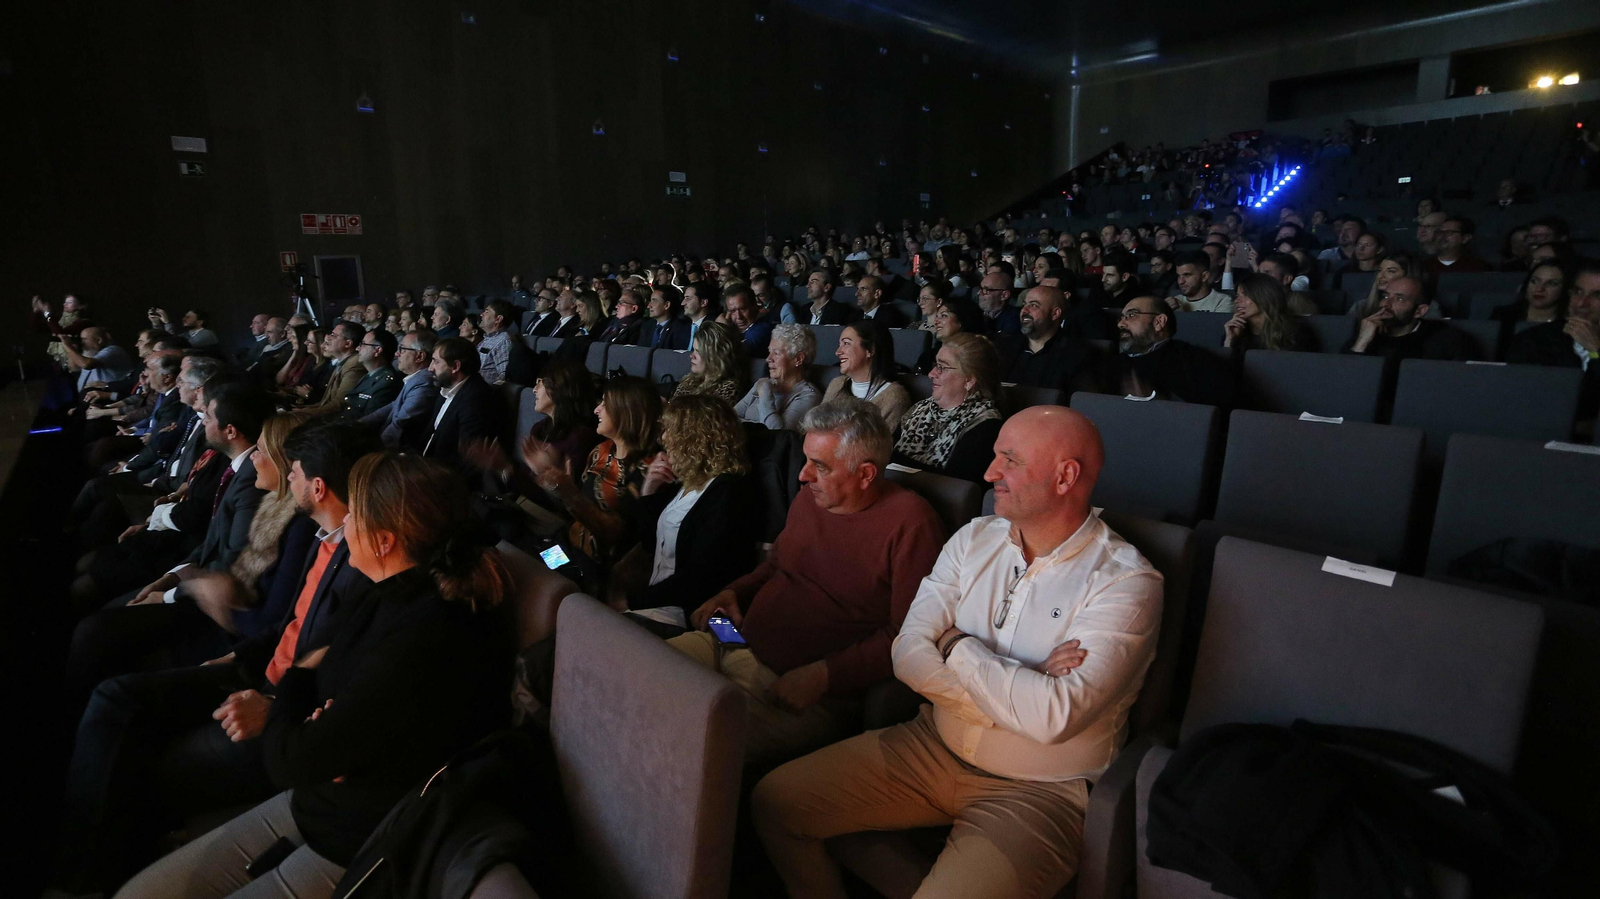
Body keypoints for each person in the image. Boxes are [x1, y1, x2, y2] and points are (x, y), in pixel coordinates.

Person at [753, 407, 1162, 899]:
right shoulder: (973, 539)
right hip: (930, 744)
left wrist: (956, 644)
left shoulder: (1125, 581)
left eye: (1007, 460)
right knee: (773, 802)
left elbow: (1054, 717)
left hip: (1038, 792)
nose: (989, 474)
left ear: (1065, 477)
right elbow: (907, 651)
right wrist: (1021, 685)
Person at [113, 452, 514, 899]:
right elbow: (320, 687)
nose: (346, 525)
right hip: (317, 800)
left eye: (356, 515)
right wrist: (316, 709)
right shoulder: (391, 587)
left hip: (357, 843)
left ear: (384, 541)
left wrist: (307, 705)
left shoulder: (429, 632)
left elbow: (293, 758)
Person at [51, 419, 382, 896]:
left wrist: (272, 704)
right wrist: (233, 659)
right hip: (253, 672)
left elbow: (337, 668)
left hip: (278, 711)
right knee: (114, 695)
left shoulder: (363, 560)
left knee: (143, 755)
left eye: (295, 470)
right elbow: (285, 626)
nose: (286, 477)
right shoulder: (320, 536)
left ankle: (85, 876)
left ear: (318, 485)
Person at [675, 398, 944, 769]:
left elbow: (907, 636)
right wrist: (733, 592)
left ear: (866, 474)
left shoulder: (911, 524)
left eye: (819, 466)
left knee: (681, 738)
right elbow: (775, 567)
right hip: (733, 642)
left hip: (799, 692)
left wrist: (826, 674)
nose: (802, 475)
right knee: (633, 671)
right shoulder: (810, 498)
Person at [623, 394, 757, 628]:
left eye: (671, 431)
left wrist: (633, 601)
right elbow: (651, 545)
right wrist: (649, 491)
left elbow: (700, 578)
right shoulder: (687, 482)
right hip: (657, 605)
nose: (664, 438)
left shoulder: (727, 492)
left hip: (682, 615)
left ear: (694, 438)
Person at [523, 375, 661, 572]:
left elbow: (615, 534)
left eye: (605, 403)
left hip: (596, 568)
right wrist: (551, 475)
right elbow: (575, 512)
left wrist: (568, 491)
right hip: (568, 549)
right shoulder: (601, 450)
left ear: (627, 412)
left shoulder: (649, 470)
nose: (597, 409)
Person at [893, 333, 1003, 482]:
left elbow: (954, 486)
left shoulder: (985, 426)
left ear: (969, 380)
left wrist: (889, 459)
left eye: (942, 367)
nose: (931, 374)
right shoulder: (920, 409)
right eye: (935, 365)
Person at [1506, 261, 1599, 432]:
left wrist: (1595, 352)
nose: (1582, 303)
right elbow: (1530, 407)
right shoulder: (1533, 341)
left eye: (1597, 295)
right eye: (1578, 292)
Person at [1103, 295, 1239, 407]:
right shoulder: (1110, 363)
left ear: (1159, 322)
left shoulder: (1196, 361)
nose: (1120, 324)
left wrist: (1162, 403)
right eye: (1121, 317)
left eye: (1131, 315)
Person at [422, 337, 512, 471]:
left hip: (442, 476)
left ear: (455, 366)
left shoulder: (476, 399)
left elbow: (467, 458)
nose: (430, 368)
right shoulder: (447, 389)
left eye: (435, 361)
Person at [993, 287, 1101, 394]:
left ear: (1055, 314)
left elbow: (1082, 403)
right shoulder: (1003, 346)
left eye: (1034, 305)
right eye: (1024, 304)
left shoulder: (1078, 354)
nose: (1024, 310)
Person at [1343, 276, 1473, 361]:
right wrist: (1362, 342)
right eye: (1386, 296)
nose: (1385, 304)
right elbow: (1343, 379)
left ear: (1419, 311)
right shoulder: (1367, 331)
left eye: (1399, 299)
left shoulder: (1446, 339)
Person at [822, 319, 912, 431]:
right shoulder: (837, 384)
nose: (838, 352)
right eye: (840, 344)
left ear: (870, 350)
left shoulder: (895, 398)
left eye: (846, 343)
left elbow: (882, 445)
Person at [360, 328, 440, 451]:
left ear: (419, 356)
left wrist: (373, 450)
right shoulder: (417, 378)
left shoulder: (425, 383)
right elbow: (392, 406)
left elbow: (401, 424)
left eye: (402, 349)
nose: (397, 354)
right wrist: (357, 425)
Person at [736, 323, 822, 431]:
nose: (768, 359)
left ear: (798, 359)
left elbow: (779, 434)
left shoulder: (808, 396)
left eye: (776, 353)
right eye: (769, 352)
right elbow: (730, 417)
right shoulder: (763, 383)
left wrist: (764, 394)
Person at [1223, 273, 1307, 353]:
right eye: (1237, 296)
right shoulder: (1235, 331)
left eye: (1245, 295)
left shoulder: (1293, 332)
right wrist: (1229, 340)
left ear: (1264, 296)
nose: (1237, 301)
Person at [670, 320, 746, 404]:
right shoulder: (689, 381)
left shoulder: (729, 387)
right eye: (694, 350)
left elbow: (711, 416)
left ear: (714, 356)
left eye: (698, 351)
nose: (691, 356)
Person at [300, 321, 365, 416]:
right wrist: (303, 410)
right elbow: (326, 402)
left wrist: (301, 413)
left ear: (347, 344)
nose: (328, 338)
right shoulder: (342, 362)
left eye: (333, 335)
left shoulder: (354, 365)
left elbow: (338, 404)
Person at [1492, 261, 1568, 334]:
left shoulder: (1568, 323)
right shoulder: (1502, 316)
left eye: (1551, 283)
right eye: (1534, 281)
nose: (1539, 289)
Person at [341, 328, 403, 417]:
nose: (358, 348)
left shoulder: (387, 384)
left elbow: (369, 422)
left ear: (377, 350)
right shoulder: (370, 375)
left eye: (363, 344)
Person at [1348, 251, 1424, 319]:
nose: (1381, 276)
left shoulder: (1421, 308)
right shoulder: (1360, 307)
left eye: (1391, 271)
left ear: (1407, 275)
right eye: (1380, 270)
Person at [476, 299, 534, 386]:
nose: (481, 314)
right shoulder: (487, 338)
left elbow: (504, 376)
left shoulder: (503, 341)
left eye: (487, 312)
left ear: (498, 319)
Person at [1423, 214, 1490, 276]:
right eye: (1440, 232)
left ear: (1465, 238)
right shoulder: (1425, 266)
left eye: (1449, 232)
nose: (1442, 236)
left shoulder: (1477, 268)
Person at [247, 317, 294, 383]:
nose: (266, 336)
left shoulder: (287, 351)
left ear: (282, 334)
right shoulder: (269, 348)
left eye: (270, 332)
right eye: (266, 332)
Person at [976, 270, 1022, 334]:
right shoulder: (973, 314)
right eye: (980, 288)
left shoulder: (1014, 320)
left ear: (1004, 295)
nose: (978, 293)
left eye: (986, 290)